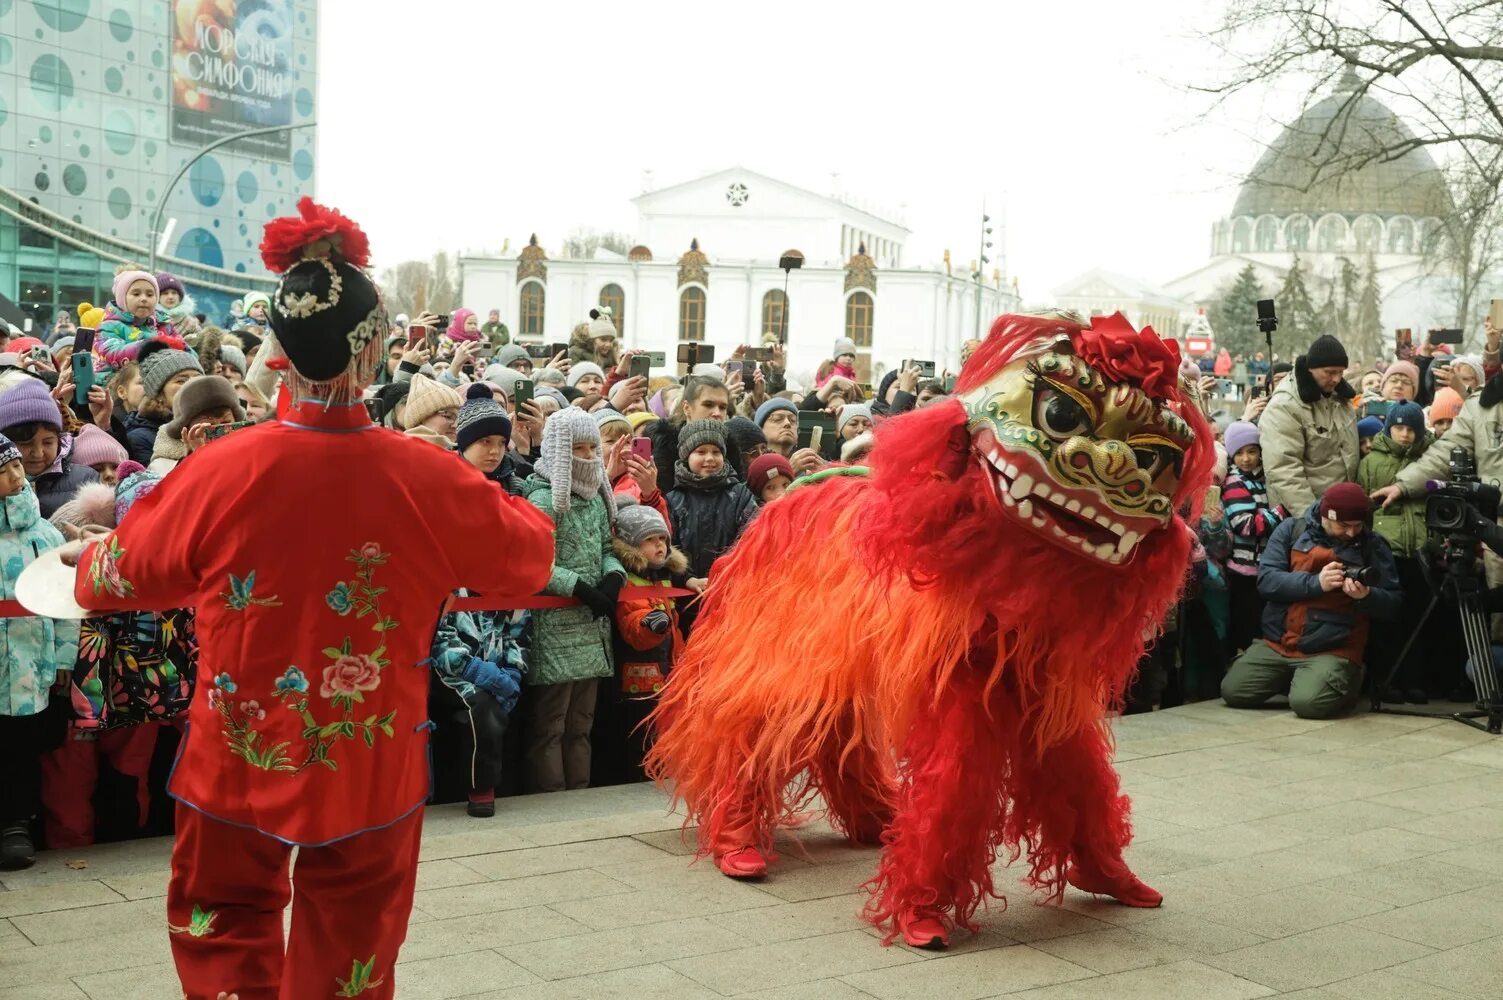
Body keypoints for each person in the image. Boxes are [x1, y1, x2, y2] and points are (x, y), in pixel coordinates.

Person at [52, 199, 556, 998]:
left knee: (222, 922)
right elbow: (529, 557)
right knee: (353, 946)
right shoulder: (428, 474)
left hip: (237, 753)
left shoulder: (220, 468)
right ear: (378, 349)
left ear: (275, 353)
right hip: (370, 754)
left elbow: (117, 575)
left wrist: (86, 555)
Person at [1221, 481, 1401, 719]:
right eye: (1344, 525)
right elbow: (1267, 581)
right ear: (1326, 517)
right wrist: (1317, 583)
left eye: (1358, 525)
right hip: (1279, 642)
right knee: (1233, 691)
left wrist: (1366, 596)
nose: (1351, 532)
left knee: (1308, 705)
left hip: (1333, 646)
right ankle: (1303, 680)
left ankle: (1342, 679)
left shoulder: (1372, 545)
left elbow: (1393, 602)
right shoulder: (1291, 530)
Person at [521, 408, 623, 792]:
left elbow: (605, 546)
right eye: (578, 449)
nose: (588, 456)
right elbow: (534, 563)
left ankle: (579, 794)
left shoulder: (596, 499)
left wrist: (614, 574)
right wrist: (577, 586)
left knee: (581, 724)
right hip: (556, 625)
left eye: (592, 447)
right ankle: (550, 799)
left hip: (591, 623)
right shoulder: (544, 499)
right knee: (551, 724)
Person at [0, 433, 79, 869]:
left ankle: (17, 824)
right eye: (3, 472)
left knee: (21, 745)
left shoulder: (43, 533)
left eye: (15, 467)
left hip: (33, 654)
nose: (15, 476)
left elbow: (65, 602)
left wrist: (65, 657)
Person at [599, 501, 688, 785]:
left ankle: (661, 772)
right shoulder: (629, 583)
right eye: (650, 540)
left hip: (665, 671)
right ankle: (639, 778)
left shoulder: (660, 579)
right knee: (641, 731)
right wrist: (651, 624)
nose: (659, 546)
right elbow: (632, 624)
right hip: (638, 678)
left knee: (662, 727)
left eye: (662, 539)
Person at [1356, 402, 1435, 703]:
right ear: (1388, 429)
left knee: (1417, 617)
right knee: (1388, 619)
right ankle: (1386, 680)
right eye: (1398, 428)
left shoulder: (1429, 459)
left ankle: (1414, 680)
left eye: (1411, 429)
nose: (1404, 435)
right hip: (1385, 548)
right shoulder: (1371, 463)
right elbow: (1365, 505)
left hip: (1420, 550)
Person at [1260, 335, 1358, 513]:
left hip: (1340, 512)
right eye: (1329, 372)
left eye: (1341, 372)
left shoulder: (1342, 399)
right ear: (1312, 369)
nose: (1337, 379)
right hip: (1302, 513)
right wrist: (1311, 518)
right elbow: (1283, 469)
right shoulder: (1285, 406)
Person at [666, 420, 759, 587]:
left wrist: (728, 573)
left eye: (716, 452)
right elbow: (667, 545)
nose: (710, 458)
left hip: (731, 588)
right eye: (701, 452)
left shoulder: (740, 495)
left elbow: (751, 538)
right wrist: (687, 578)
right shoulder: (674, 499)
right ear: (686, 456)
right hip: (685, 595)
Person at [1221, 421, 1284, 652]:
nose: (1246, 458)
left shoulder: (1263, 480)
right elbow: (1246, 525)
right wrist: (1279, 512)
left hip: (1264, 567)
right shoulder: (1235, 482)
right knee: (1246, 626)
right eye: (1238, 453)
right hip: (1245, 570)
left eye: (1251, 451)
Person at [124, 339, 203, 466]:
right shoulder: (140, 438)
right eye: (181, 381)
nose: (192, 384)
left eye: (198, 378)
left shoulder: (218, 420)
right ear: (159, 394)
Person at [148, 375, 246, 476]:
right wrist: (196, 457)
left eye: (226, 422)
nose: (219, 430)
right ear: (186, 431)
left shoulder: (249, 452)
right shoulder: (163, 466)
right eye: (208, 426)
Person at [96, 267, 177, 371]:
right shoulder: (109, 326)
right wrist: (150, 346)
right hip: (118, 381)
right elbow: (112, 352)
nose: (143, 299)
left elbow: (186, 350)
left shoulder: (164, 323)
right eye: (136, 294)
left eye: (149, 294)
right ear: (122, 298)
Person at [402, 372, 463, 449]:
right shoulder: (404, 453)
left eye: (460, 418)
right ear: (421, 419)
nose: (456, 425)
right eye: (448, 416)